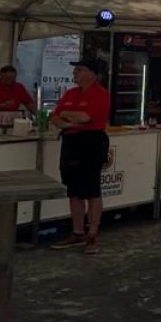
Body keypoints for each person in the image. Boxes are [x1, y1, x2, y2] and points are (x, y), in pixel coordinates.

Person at [50, 58, 112, 254]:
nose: (75, 72)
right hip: (71, 142)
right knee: (73, 189)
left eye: (79, 69)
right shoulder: (70, 93)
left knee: (92, 189)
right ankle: (77, 231)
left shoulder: (100, 94)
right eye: (75, 69)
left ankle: (92, 234)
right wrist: (70, 119)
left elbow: (87, 118)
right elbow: (55, 117)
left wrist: (68, 116)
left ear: (92, 74)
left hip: (92, 142)